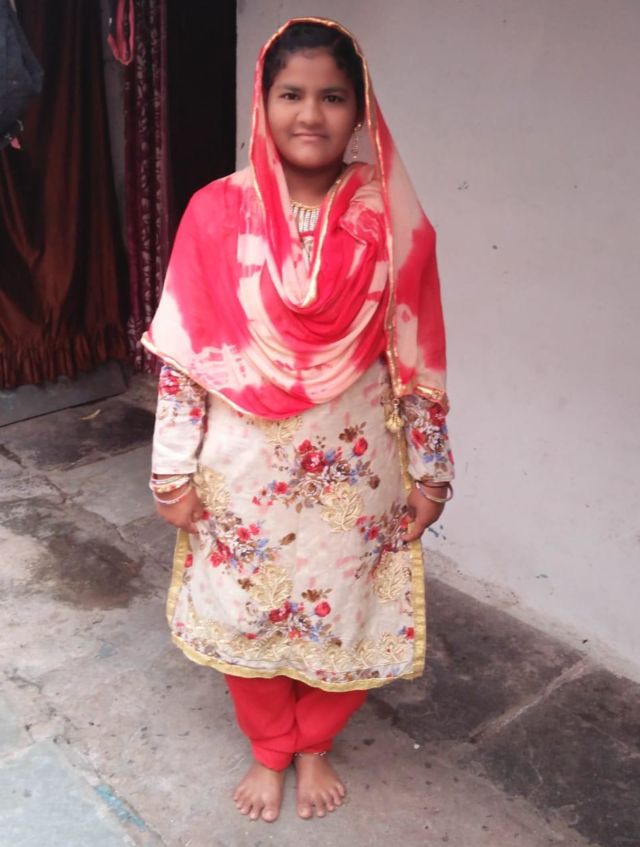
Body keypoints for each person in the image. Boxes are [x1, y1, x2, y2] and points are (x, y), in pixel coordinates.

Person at [142, 17, 454, 824]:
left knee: (346, 609)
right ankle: (269, 745)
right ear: (263, 101)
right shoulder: (216, 212)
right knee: (246, 608)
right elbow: (185, 358)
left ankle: (314, 741)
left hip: (355, 473)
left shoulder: (392, 217)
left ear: (360, 110)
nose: (310, 114)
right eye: (291, 94)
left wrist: (432, 471)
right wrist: (171, 469)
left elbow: (416, 357)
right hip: (242, 470)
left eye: (332, 97)